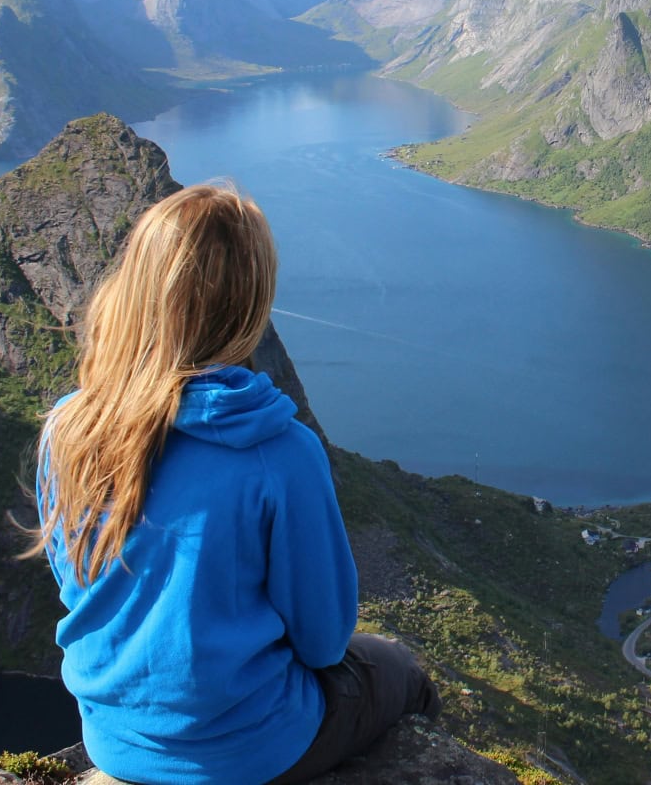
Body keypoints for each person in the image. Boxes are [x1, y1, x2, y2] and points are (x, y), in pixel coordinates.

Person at [28, 183, 439, 785]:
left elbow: (79, 585)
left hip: (113, 741)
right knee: (399, 671)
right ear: (249, 306)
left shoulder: (69, 428)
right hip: (249, 751)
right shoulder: (277, 452)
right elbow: (324, 642)